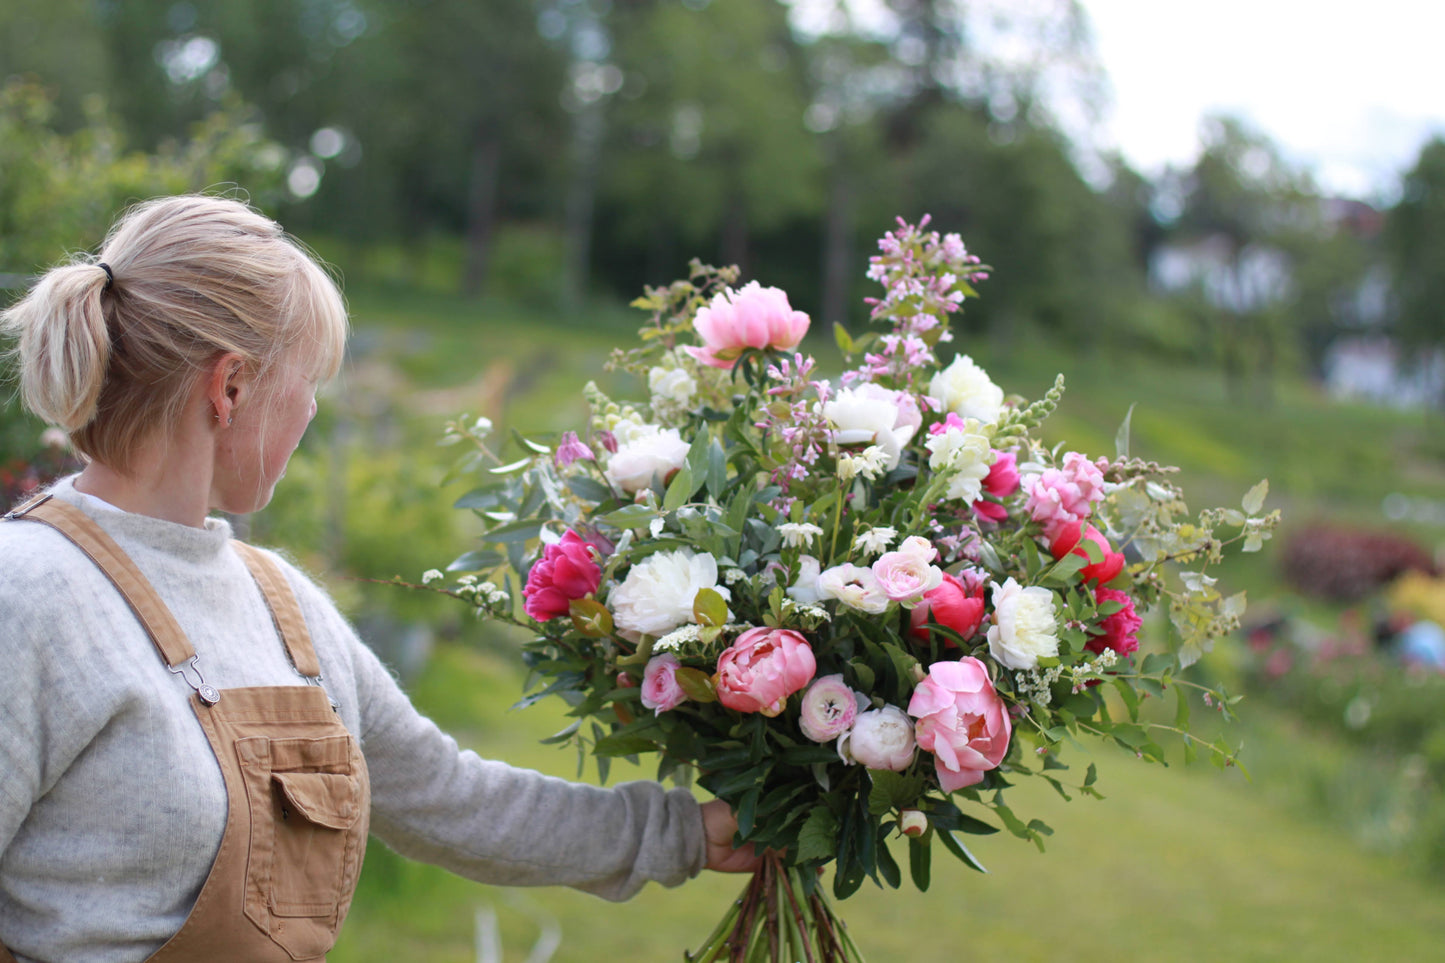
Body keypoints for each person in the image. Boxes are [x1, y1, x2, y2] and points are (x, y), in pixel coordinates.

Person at [0, 195, 755, 963]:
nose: (312, 409)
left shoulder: (281, 603)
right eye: (308, 381)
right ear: (230, 388)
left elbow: (449, 799)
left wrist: (684, 833)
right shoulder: (28, 595)